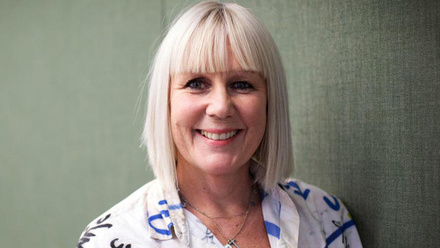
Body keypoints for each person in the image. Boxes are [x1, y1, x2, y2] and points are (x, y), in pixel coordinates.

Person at [77, 1, 362, 247]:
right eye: (196, 83)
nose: (221, 107)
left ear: (269, 102)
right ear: (165, 102)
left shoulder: (326, 218)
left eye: (241, 84)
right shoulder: (111, 238)